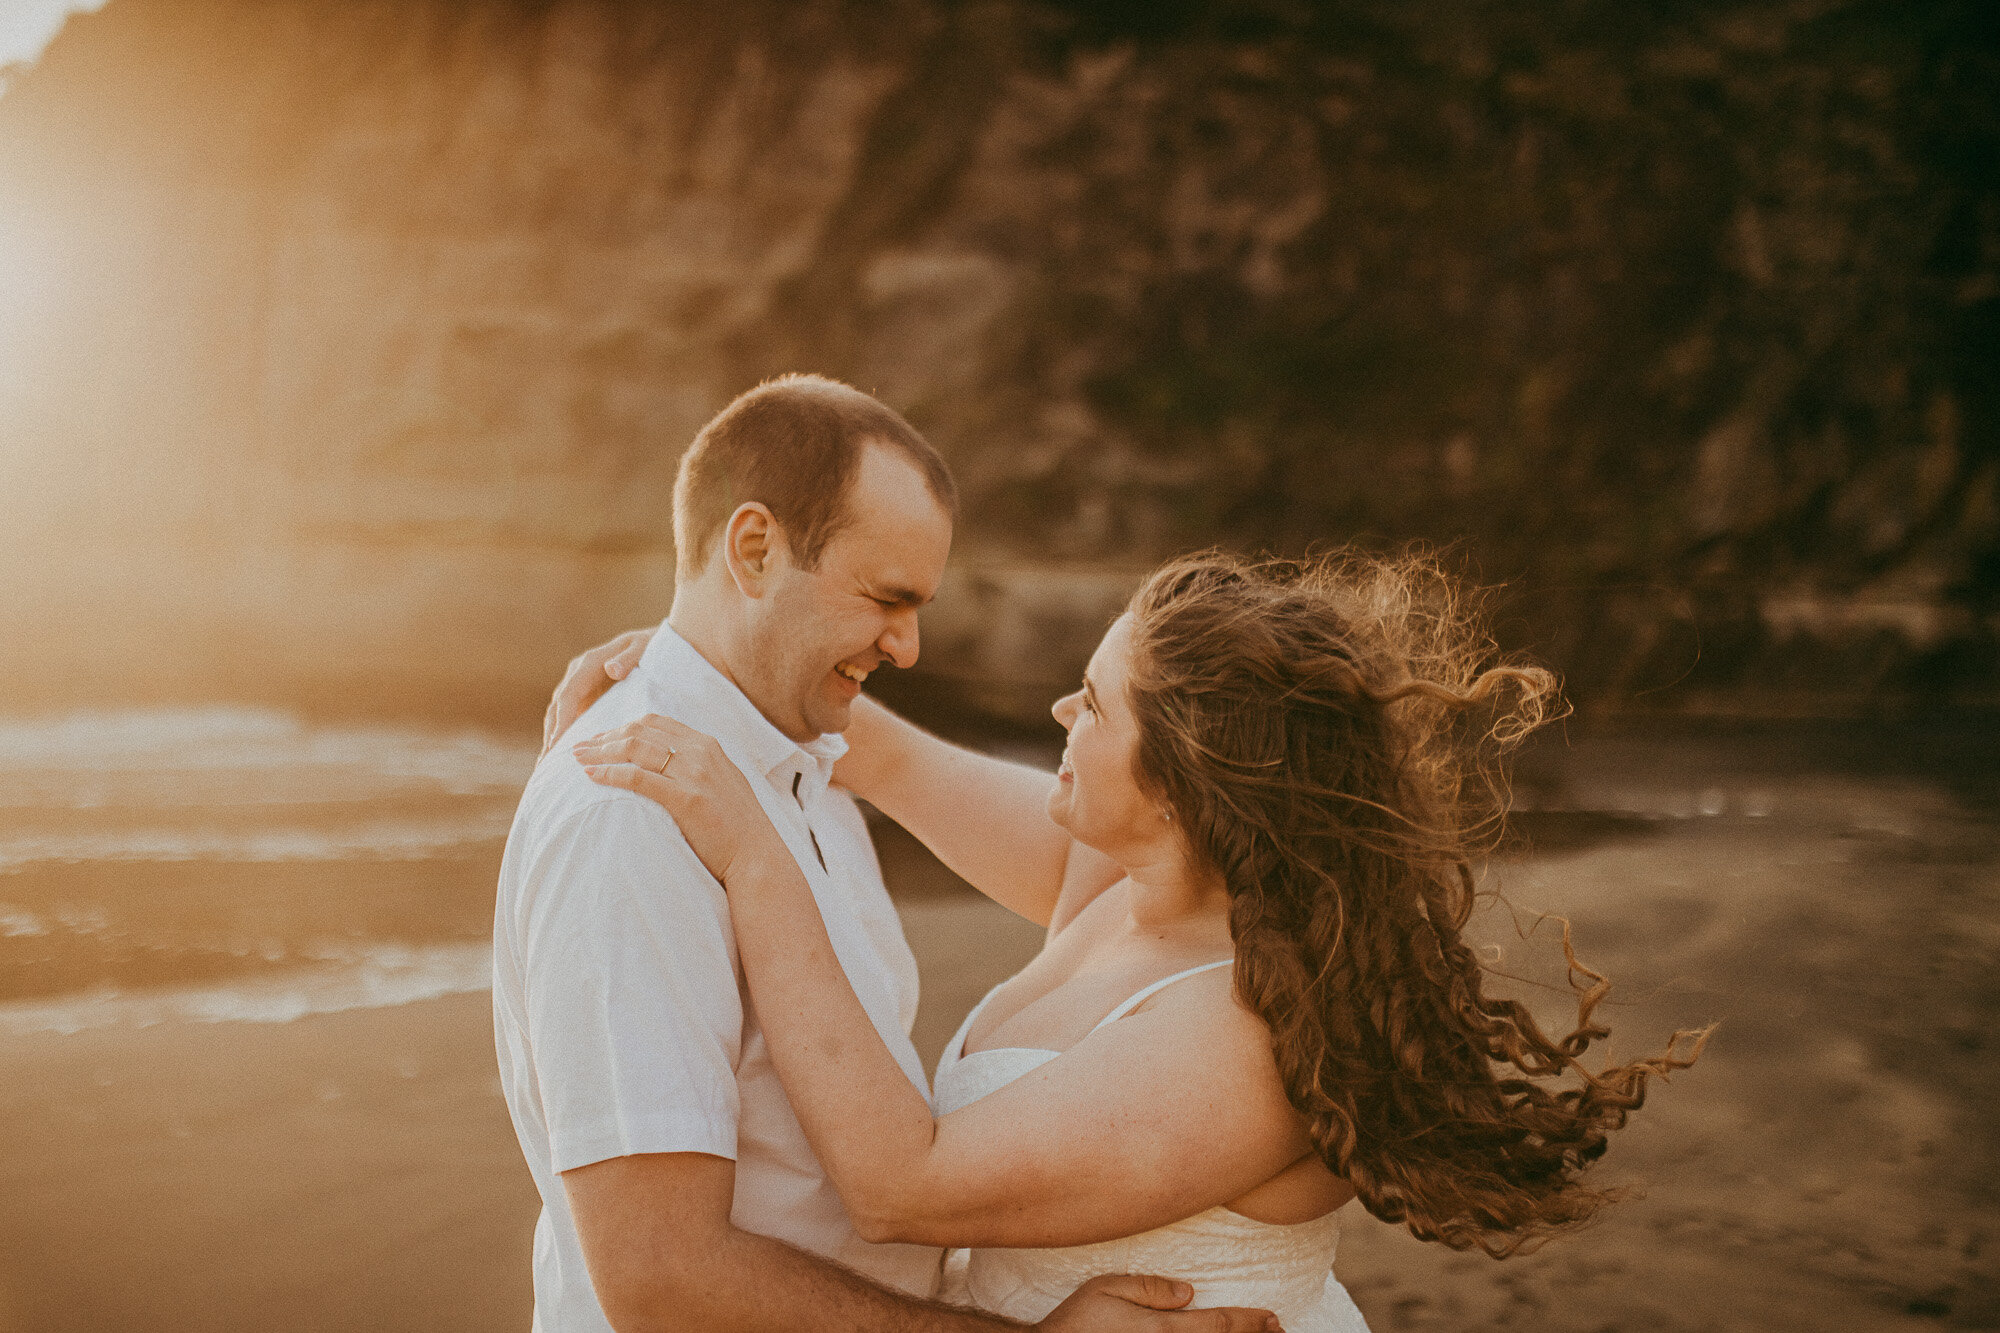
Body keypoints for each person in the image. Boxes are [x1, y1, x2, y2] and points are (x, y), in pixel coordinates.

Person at [559, 549, 1711, 1329]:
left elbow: (898, 1184)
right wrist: (695, 673)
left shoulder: (1237, 1032)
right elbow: (886, 757)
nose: (1062, 715)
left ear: (1180, 782)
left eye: (1096, 703)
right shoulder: (1125, 880)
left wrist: (755, 857)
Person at [495, 374, 1283, 1333]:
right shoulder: (632, 815)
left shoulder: (804, 769)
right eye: (886, 599)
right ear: (753, 550)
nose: (908, 649)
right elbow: (661, 1280)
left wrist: (704, 673)